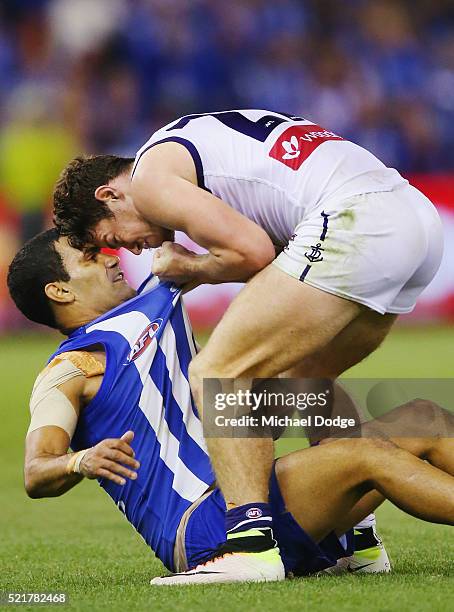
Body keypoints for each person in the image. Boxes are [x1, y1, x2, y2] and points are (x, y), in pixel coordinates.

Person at [52, 110, 444, 582]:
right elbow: (272, 251)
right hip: (415, 219)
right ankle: (356, 540)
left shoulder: (150, 179)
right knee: (302, 381)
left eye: (117, 238)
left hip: (356, 218)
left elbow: (252, 253)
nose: (134, 250)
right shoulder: (191, 144)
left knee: (217, 371)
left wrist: (190, 268)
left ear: (109, 195)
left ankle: (250, 545)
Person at [7, 229, 453, 585]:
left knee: (421, 416)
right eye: (88, 257)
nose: (109, 257)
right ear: (59, 291)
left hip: (251, 495)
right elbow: (35, 471)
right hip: (204, 528)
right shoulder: (69, 370)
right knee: (367, 454)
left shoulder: (160, 289)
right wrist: (82, 460)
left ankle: (357, 541)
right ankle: (351, 537)